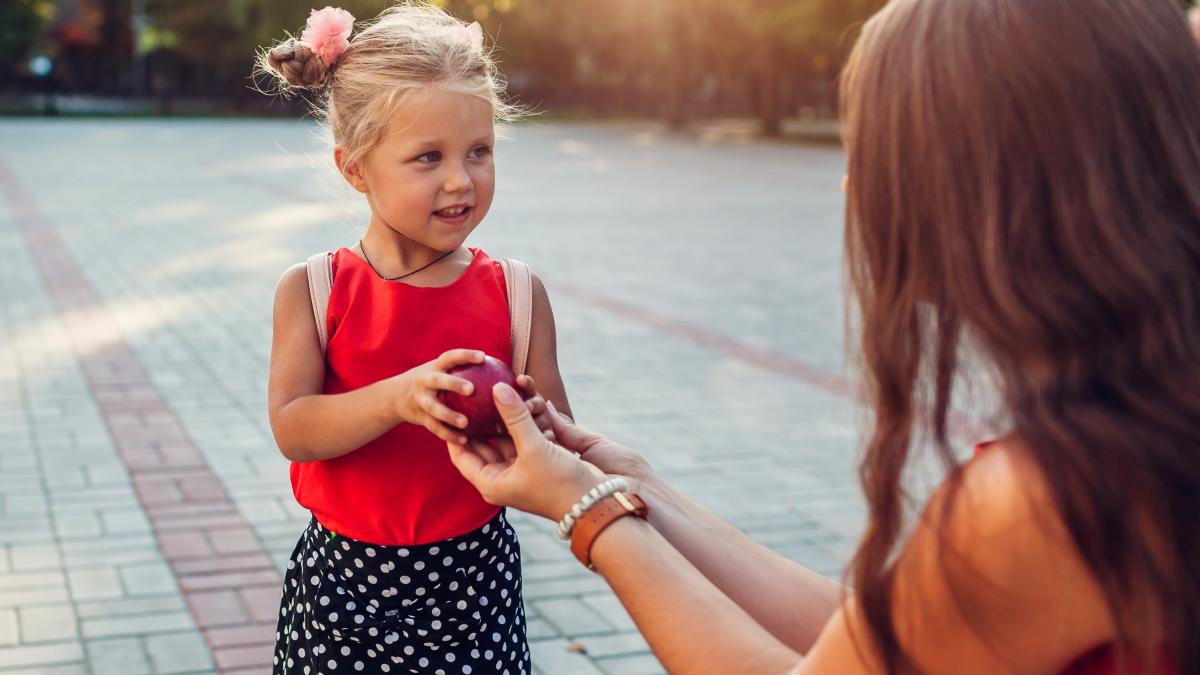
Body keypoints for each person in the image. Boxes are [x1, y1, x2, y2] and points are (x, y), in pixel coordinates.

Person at [446, 0, 1200, 672]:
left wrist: (591, 514)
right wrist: (637, 488)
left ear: (985, 195)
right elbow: (882, 638)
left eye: (878, 154)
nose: (852, 187)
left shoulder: (1054, 497)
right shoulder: (1152, 429)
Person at [260, 4, 569, 673]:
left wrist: (531, 425)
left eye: (479, 152)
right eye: (428, 157)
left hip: (472, 588)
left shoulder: (517, 293)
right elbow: (294, 427)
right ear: (356, 168)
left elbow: (558, 438)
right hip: (342, 593)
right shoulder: (313, 290)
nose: (461, 179)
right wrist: (400, 396)